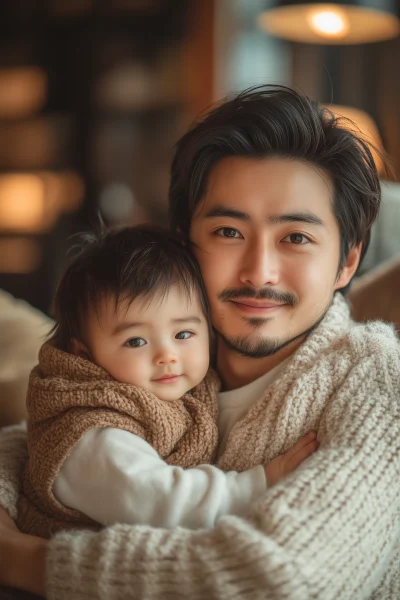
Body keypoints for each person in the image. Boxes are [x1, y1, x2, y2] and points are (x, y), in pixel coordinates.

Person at [0, 84, 399, 600]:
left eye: (295, 237)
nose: (259, 272)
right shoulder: (163, 355)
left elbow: (279, 581)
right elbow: (52, 428)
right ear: (184, 242)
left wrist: (26, 559)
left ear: (348, 260)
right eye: (229, 232)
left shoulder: (377, 380)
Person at [17, 225, 315, 538]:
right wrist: (259, 483)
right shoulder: (92, 436)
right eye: (135, 342)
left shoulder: (195, 391)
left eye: (183, 334)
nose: (167, 355)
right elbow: (163, 501)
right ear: (84, 353)